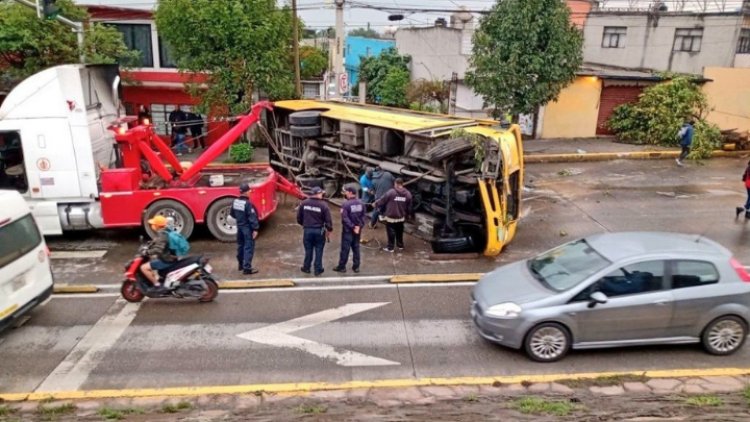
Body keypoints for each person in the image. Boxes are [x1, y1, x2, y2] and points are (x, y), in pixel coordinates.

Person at [297, 186, 333, 276]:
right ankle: (318, 269)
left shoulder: (304, 203)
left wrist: (305, 225)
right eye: (321, 193)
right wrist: (329, 229)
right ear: (317, 194)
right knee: (319, 250)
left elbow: (299, 218)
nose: (322, 195)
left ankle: (306, 267)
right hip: (319, 231)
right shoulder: (323, 205)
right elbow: (328, 220)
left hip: (307, 230)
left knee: (308, 250)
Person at [374, 178, 413, 253]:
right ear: (402, 184)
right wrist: (408, 215)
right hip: (401, 217)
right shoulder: (408, 194)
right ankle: (400, 245)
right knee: (399, 231)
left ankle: (390, 248)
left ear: (396, 183)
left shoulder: (391, 192)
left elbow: (383, 200)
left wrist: (376, 203)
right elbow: (409, 206)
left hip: (391, 217)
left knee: (391, 232)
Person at [333, 185, 366, 274]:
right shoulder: (361, 203)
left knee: (345, 249)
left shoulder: (346, 204)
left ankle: (342, 267)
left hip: (348, 231)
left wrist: (352, 227)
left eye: (346, 192)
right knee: (356, 248)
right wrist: (359, 226)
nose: (345, 194)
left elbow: (345, 218)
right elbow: (363, 216)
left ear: (350, 193)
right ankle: (356, 267)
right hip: (357, 230)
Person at [229, 182, 260, 275]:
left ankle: (241, 265)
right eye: (249, 190)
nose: (250, 192)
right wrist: (255, 229)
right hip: (247, 229)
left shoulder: (235, 202)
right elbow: (252, 217)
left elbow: (232, 214)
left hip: (239, 227)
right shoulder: (248, 204)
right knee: (248, 247)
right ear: (246, 192)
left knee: (240, 246)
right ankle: (247, 268)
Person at [141, 215, 178, 289]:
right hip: (170, 256)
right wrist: (150, 244)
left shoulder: (163, 235)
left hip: (167, 260)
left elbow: (158, 249)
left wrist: (147, 252)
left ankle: (157, 284)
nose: (152, 226)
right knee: (153, 261)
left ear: (157, 226)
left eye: (154, 224)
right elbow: (158, 242)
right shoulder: (166, 231)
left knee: (144, 267)